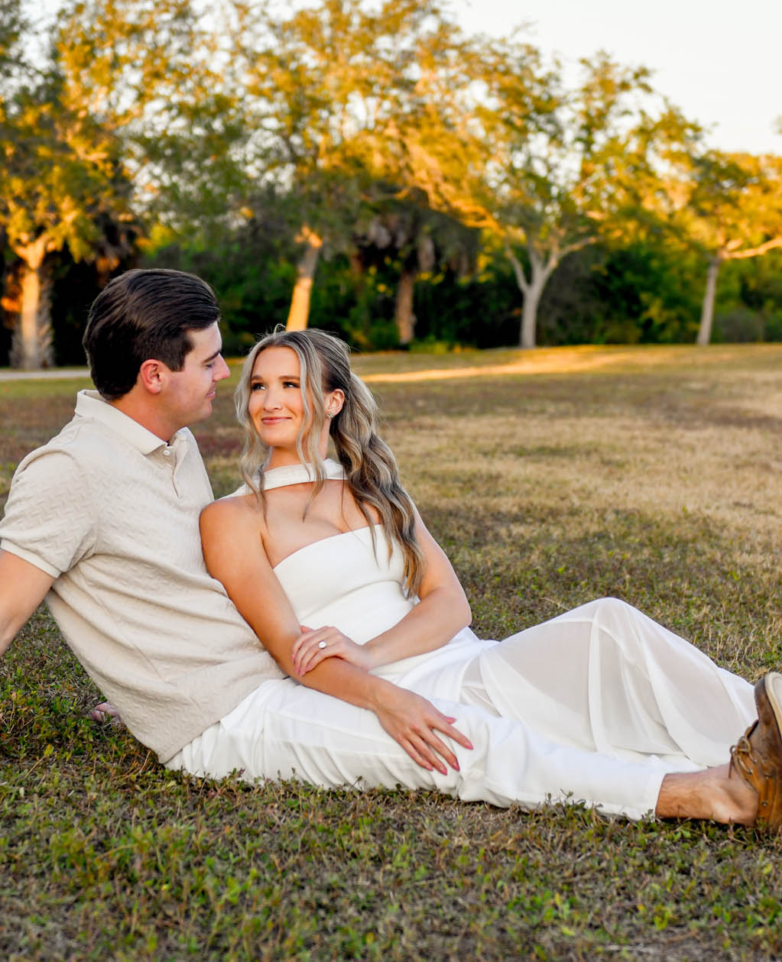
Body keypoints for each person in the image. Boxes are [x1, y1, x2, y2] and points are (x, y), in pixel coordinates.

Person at [0, 276, 779, 830]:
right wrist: (171, 696)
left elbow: (179, 594)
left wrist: (145, 685)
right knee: (452, 737)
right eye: (213, 361)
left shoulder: (172, 451)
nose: (230, 378)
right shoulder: (70, 471)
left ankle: (761, 729)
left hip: (276, 676)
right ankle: (707, 792)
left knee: (598, 633)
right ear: (153, 374)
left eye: (281, 381)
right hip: (232, 714)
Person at [186, 327, 782, 829]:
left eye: (291, 385)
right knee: (604, 635)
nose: (270, 401)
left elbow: (450, 603)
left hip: (464, 663)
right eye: (259, 386)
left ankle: (763, 734)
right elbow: (289, 648)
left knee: (610, 626)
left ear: (334, 400)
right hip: (404, 691)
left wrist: (370, 650)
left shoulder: (375, 491)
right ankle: (750, 758)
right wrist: (374, 679)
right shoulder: (234, 517)